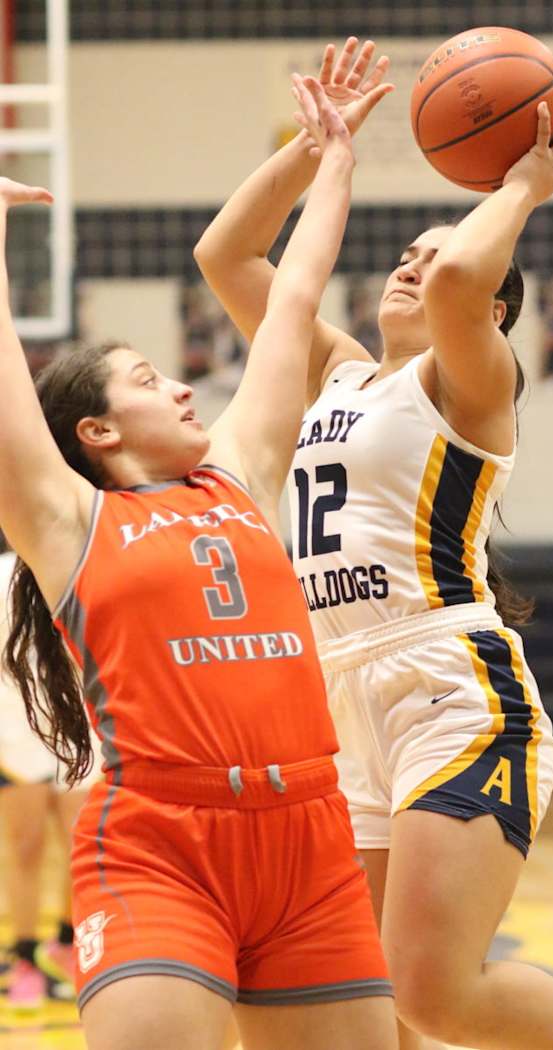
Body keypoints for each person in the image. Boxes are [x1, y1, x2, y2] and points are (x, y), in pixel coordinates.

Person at [196, 36, 553, 1050]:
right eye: (405, 254)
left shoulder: (470, 384)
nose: (414, 265)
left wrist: (524, 182)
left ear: (490, 315)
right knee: (369, 999)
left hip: (445, 685)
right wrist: (314, 146)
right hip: (334, 701)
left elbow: (470, 272)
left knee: (434, 992)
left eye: (433, 259)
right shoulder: (333, 374)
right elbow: (227, 257)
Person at [0, 76, 399, 1050]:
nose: (182, 387)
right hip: (158, 845)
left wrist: (334, 160)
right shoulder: (64, 517)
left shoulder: (241, 475)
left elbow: (293, 299)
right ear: (95, 430)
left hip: (308, 837)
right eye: (148, 380)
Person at [0, 538, 100, 1010]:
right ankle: (22, 956)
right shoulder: (6, 575)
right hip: (13, 733)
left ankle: (66, 941)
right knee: (26, 845)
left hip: (73, 728)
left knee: (83, 842)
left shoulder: (70, 563)